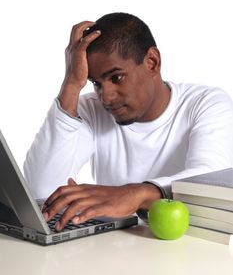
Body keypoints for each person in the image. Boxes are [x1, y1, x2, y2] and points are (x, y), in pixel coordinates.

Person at [24, 12, 233, 231]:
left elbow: (212, 182)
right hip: (112, 252)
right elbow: (39, 192)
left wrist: (136, 194)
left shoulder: (206, 103)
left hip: (187, 251)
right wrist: (71, 85)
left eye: (116, 78)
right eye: (96, 83)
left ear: (152, 62)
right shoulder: (90, 109)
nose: (105, 97)